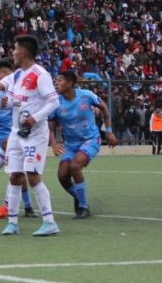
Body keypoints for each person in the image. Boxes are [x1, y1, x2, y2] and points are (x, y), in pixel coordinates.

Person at [0, 35, 61, 236]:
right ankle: (13, 223)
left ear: (24, 52)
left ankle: (49, 221)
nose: (13, 53)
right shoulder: (17, 75)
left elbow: (53, 102)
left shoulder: (40, 75)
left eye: (15, 49)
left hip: (35, 134)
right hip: (16, 133)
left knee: (32, 176)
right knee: (15, 175)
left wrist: (35, 117)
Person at [49, 71, 117, 218]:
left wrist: (109, 131)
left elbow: (104, 108)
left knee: (74, 166)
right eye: (56, 80)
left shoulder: (86, 95)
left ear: (70, 83)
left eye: (60, 80)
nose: (56, 83)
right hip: (71, 144)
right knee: (62, 176)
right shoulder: (55, 102)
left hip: (90, 140)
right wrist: (54, 144)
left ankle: (84, 207)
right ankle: (79, 196)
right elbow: (51, 127)